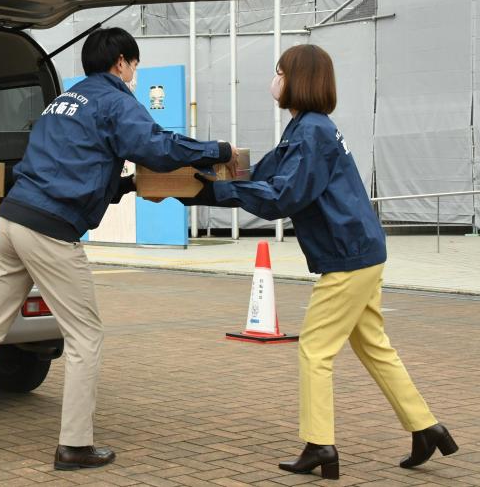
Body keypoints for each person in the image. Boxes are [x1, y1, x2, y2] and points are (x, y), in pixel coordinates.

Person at [0, 27, 237, 470]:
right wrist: (218, 150)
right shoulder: (115, 100)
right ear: (121, 62)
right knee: (85, 335)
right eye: (134, 64)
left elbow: (69, 165)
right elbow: (156, 147)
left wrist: (123, 186)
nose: (135, 72)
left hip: (11, 219)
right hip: (50, 230)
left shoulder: (63, 101)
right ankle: (74, 445)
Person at [186, 44, 458, 480]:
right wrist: (210, 163)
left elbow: (283, 196)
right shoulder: (307, 127)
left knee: (315, 349)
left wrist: (213, 192)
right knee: (373, 346)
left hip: (349, 256)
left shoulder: (311, 132)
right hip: (360, 250)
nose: (274, 81)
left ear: (298, 79)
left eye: (279, 72)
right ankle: (427, 428)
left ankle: (320, 446)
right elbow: (264, 171)